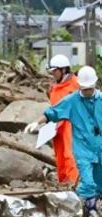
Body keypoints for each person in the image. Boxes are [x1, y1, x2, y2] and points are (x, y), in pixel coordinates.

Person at [25, 66, 102, 217]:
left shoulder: (101, 100)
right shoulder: (72, 101)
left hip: (100, 147)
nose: (87, 92)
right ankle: (83, 211)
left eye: (90, 89)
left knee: (99, 182)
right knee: (87, 181)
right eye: (84, 89)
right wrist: (36, 122)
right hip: (83, 150)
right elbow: (52, 112)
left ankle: (88, 205)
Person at [45, 54, 79, 185]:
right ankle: (64, 180)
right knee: (60, 155)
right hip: (58, 125)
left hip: (72, 123)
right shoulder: (55, 87)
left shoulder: (76, 84)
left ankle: (74, 182)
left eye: (55, 71)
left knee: (71, 154)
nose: (53, 75)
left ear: (63, 70)